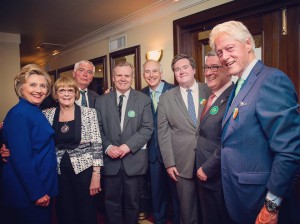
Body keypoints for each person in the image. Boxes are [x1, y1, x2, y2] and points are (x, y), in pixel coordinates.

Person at [209, 20, 300, 224]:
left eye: (229, 48)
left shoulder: (270, 80)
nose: (224, 57)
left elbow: (289, 150)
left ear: (248, 44)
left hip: (261, 202)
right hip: (239, 197)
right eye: (220, 52)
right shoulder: (239, 85)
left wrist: (271, 206)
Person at [95, 61, 153, 224]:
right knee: (111, 203)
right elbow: (97, 128)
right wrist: (108, 147)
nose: (123, 79)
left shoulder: (143, 100)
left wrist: (127, 146)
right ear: (113, 78)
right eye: (119, 75)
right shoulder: (101, 101)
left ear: (132, 77)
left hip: (133, 162)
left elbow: (147, 128)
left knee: (132, 204)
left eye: (127, 75)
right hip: (110, 162)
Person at [1, 64, 58, 224]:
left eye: (43, 86)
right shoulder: (20, 113)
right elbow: (22, 158)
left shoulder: (34, 110)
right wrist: (37, 192)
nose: (38, 90)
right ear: (21, 87)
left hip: (38, 185)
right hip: (28, 193)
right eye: (32, 85)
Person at [157, 54, 211, 224]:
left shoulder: (210, 89)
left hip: (210, 161)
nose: (181, 71)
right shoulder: (166, 98)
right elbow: (163, 132)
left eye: (185, 67)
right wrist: (169, 163)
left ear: (194, 69)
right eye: (177, 69)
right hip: (181, 164)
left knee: (211, 209)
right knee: (187, 212)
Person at [43, 76, 103, 224]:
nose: (66, 94)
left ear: (76, 93)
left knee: (86, 209)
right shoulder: (47, 114)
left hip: (84, 170)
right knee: (64, 209)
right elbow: (34, 135)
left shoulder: (89, 113)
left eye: (70, 90)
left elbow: (96, 144)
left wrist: (96, 175)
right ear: (56, 94)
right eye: (62, 90)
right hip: (59, 171)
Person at [195, 52, 233, 224]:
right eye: (207, 67)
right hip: (203, 174)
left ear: (227, 69)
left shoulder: (232, 97)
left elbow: (228, 140)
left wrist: (208, 168)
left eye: (214, 67)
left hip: (217, 176)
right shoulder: (209, 97)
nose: (208, 72)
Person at [140, 60, 180, 224]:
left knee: (177, 192)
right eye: (147, 72)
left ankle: (179, 220)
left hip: (174, 152)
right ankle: (159, 219)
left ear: (161, 73)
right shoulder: (140, 94)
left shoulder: (175, 91)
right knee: (156, 192)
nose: (151, 75)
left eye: (154, 71)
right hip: (152, 153)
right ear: (143, 75)